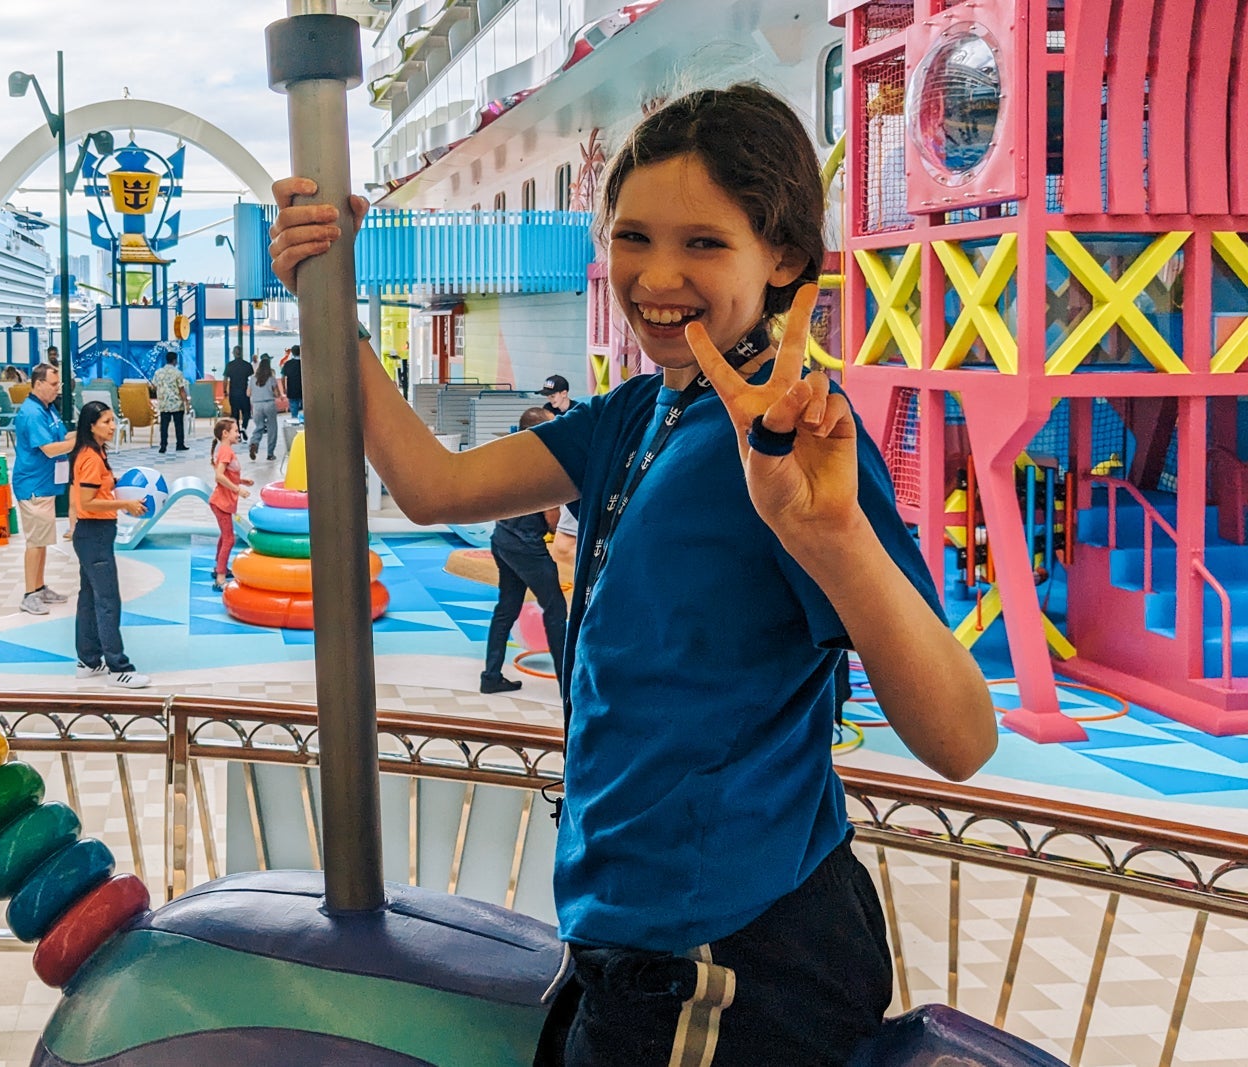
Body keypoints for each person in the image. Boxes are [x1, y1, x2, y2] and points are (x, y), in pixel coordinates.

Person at [267, 83, 996, 1067]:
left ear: (781, 256)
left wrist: (827, 535)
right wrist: (331, 294)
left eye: (703, 242)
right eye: (632, 237)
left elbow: (960, 736)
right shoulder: (640, 414)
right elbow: (435, 486)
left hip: (730, 958)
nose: (656, 274)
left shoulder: (797, 442)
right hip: (640, 937)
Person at [481, 407, 568, 695]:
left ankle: (491, 675)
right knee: (556, 609)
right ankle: (567, 683)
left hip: (502, 539)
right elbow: (551, 514)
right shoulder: (544, 462)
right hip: (527, 546)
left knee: (506, 608)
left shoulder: (505, 454)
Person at [70, 400, 151, 688]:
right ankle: (118, 668)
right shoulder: (91, 457)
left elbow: (96, 488)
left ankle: (88, 661)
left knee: (90, 598)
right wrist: (126, 503)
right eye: (106, 421)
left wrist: (120, 483)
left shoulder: (95, 451)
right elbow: (87, 501)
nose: (113, 426)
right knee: (107, 601)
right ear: (91, 425)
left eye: (113, 420)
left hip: (92, 534)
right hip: (94, 535)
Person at [14, 364, 77, 615]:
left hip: (45, 483)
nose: (57, 388)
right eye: (53, 384)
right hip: (33, 485)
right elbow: (50, 449)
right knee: (36, 542)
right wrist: (80, 441)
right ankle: (29, 594)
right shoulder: (32, 413)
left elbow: (62, 438)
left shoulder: (48, 410)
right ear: (38, 384)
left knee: (42, 541)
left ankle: (39, 587)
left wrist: (85, 431)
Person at [208, 417, 251, 591]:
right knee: (229, 538)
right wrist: (237, 489)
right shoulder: (226, 451)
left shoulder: (225, 450)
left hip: (223, 502)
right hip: (221, 502)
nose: (238, 433)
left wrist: (241, 481)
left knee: (224, 536)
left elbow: (228, 474)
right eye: (235, 430)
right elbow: (219, 476)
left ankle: (220, 568)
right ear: (225, 434)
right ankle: (220, 578)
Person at [152, 350, 190, 453]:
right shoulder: (178, 373)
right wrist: (186, 402)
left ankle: (163, 446)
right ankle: (180, 444)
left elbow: (153, 386)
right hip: (176, 403)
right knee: (179, 425)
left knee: (164, 426)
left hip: (164, 404)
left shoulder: (158, 372)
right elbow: (181, 389)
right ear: (174, 361)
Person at [247, 354, 282, 462]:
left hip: (257, 405)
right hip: (269, 404)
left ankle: (254, 443)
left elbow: (248, 393)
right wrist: (276, 394)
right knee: (272, 429)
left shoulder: (252, 379)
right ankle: (270, 454)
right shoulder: (271, 378)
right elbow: (277, 394)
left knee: (259, 427)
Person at [224, 345, 253, 433]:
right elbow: (252, 379)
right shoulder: (247, 365)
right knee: (247, 412)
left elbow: (225, 379)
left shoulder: (229, 365)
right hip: (244, 392)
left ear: (233, 353)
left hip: (233, 393)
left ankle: (237, 432)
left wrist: (225, 390)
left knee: (234, 414)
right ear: (241, 353)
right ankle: (244, 427)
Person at [281, 344, 304, 421]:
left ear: (292, 353)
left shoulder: (287, 364)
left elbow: (283, 377)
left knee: (294, 410)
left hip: (292, 389)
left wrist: (284, 388)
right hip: (304, 390)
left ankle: (295, 424)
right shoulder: (305, 363)